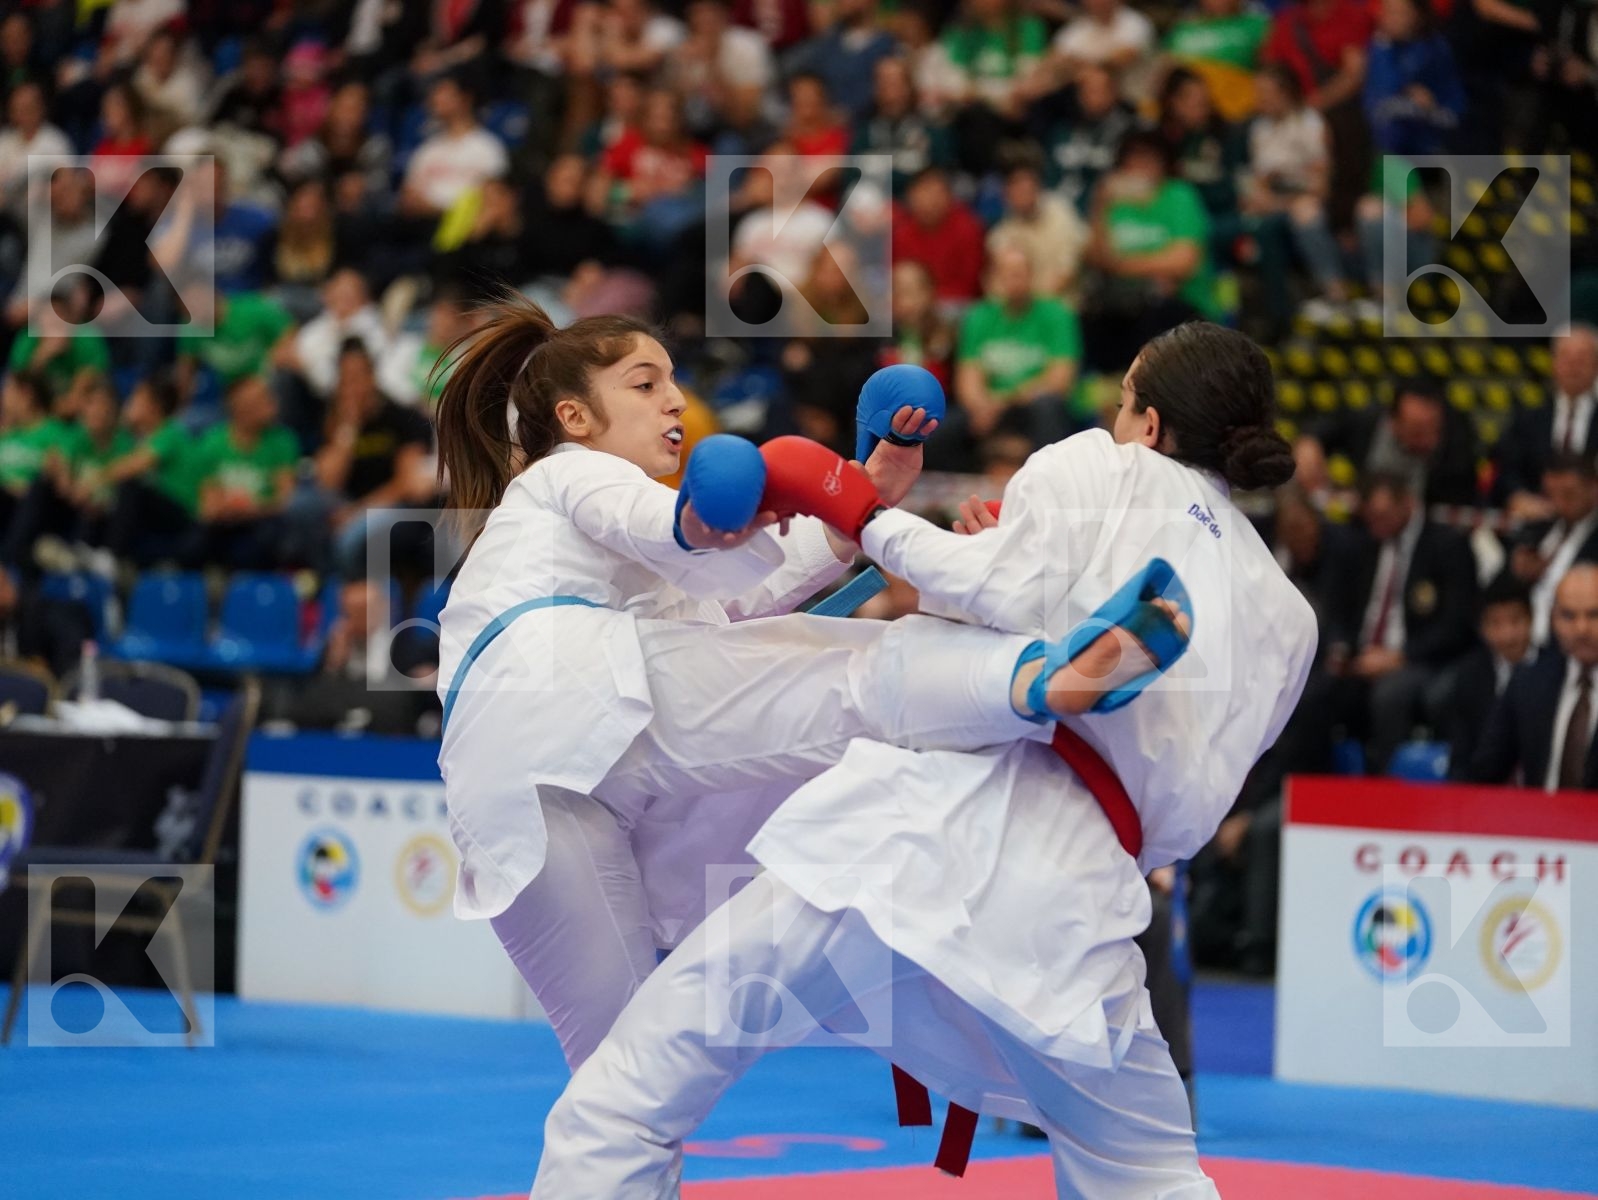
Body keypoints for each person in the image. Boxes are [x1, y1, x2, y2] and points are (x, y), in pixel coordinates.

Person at [528, 321, 1315, 1199]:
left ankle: (1041, 678)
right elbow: (1190, 815)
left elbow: (991, 589)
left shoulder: (1104, 464)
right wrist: (991, 570)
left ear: (1152, 424)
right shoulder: (1290, 621)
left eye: (1124, 401)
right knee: (1152, 1173)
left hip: (914, 835)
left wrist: (865, 516)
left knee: (628, 1097)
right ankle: (1044, 676)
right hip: (1084, 891)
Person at [431, 294, 1169, 1086]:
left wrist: (860, 494)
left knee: (621, 1080)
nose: (675, 400)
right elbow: (669, 532)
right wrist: (706, 522)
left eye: (673, 380)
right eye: (645, 384)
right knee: (838, 672)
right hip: (562, 701)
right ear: (574, 417)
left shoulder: (600, 556)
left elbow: (725, 598)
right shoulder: (570, 473)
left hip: (522, 782)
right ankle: (1031, 676)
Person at [1326, 471, 1479, 771]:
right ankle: (1310, 786)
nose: (1376, 524)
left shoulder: (1447, 544)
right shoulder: (1366, 544)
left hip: (1421, 660)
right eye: (1371, 517)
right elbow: (1343, 607)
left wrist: (1399, 657)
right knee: (1317, 690)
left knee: (1390, 695)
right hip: (1364, 658)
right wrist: (1341, 648)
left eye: (1383, 516)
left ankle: (1385, 786)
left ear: (1407, 503)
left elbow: (1457, 625)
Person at [1471, 563, 1598, 790]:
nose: (1582, 629)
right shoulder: (1528, 682)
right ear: (1552, 619)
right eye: (1568, 615)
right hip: (1540, 811)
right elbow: (1484, 772)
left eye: (1594, 614)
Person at [1445, 575, 1536, 780]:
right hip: (1485, 790)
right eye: (1495, 623)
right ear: (1482, 628)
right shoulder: (1469, 677)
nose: (1508, 635)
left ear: (1531, 619)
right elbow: (1460, 757)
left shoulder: (1554, 671)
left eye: (1516, 620)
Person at [1510, 452, 1598, 646]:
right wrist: (1519, 573)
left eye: (1569, 495)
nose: (1559, 504)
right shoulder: (1539, 529)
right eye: (1551, 496)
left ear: (1593, 488)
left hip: (1577, 643)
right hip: (1526, 641)